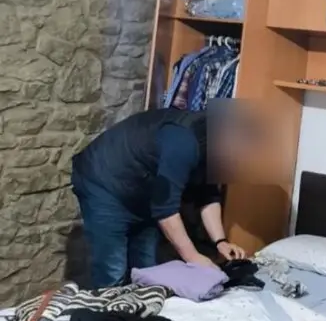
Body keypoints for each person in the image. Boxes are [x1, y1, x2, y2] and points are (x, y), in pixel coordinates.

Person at [71, 108, 249, 288]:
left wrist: (220, 242)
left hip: (143, 192)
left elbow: (208, 194)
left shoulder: (212, 146)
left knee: (147, 270)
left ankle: (135, 304)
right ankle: (105, 302)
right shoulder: (183, 143)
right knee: (112, 271)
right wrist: (193, 257)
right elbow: (166, 210)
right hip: (103, 184)